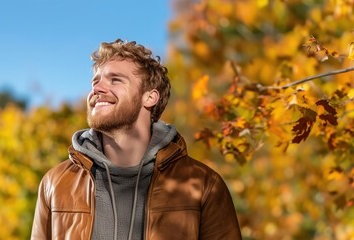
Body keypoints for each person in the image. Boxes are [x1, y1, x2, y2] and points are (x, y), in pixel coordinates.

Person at [31, 39, 242, 240]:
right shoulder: (56, 183)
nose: (97, 89)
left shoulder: (201, 184)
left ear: (150, 97)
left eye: (115, 80)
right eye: (95, 81)